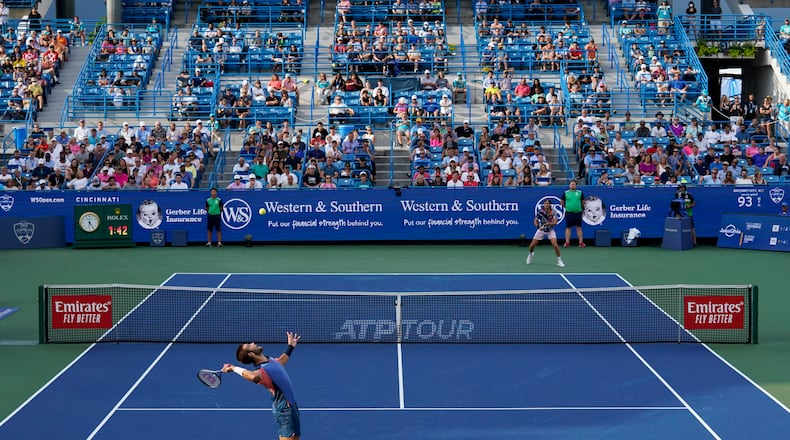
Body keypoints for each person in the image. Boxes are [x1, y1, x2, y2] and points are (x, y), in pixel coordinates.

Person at [222, 332, 302, 440]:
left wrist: (290, 347)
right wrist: (233, 368)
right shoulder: (262, 371)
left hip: (289, 407)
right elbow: (253, 377)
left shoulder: (269, 361)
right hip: (285, 410)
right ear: (251, 354)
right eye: (250, 345)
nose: (253, 343)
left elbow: (281, 361)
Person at [526, 199, 565, 267]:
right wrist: (538, 227)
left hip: (550, 230)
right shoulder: (540, 212)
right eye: (545, 203)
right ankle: (530, 254)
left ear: (550, 205)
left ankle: (559, 261)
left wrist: (548, 224)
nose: (546, 204)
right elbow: (535, 221)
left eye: (547, 203)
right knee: (532, 246)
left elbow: (555, 222)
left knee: (555, 245)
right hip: (541, 230)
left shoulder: (554, 212)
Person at [561, 180, 585, 248]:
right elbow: (562, 201)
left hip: (578, 212)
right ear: (569, 185)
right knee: (568, 228)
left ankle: (581, 243)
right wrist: (567, 207)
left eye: (574, 184)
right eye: (571, 184)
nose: (572, 185)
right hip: (569, 213)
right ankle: (567, 242)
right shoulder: (566, 193)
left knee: (579, 228)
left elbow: (583, 201)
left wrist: (580, 207)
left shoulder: (580, 193)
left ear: (576, 185)